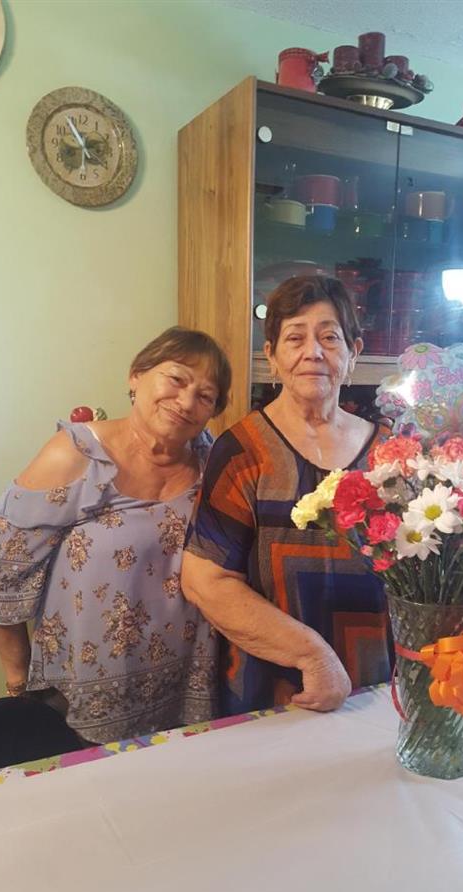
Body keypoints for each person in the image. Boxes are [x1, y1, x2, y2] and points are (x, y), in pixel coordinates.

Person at [0, 327, 232, 754]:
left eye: (206, 396)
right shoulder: (76, 455)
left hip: (189, 691)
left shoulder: (212, 463)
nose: (187, 401)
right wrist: (17, 677)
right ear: (136, 376)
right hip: (80, 703)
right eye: (176, 379)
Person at [182, 275, 393, 717]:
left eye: (329, 337)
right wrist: (312, 655)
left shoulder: (390, 453)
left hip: (383, 685)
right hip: (277, 689)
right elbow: (206, 580)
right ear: (272, 358)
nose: (312, 352)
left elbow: (425, 568)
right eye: (294, 338)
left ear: (353, 354)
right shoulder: (242, 451)